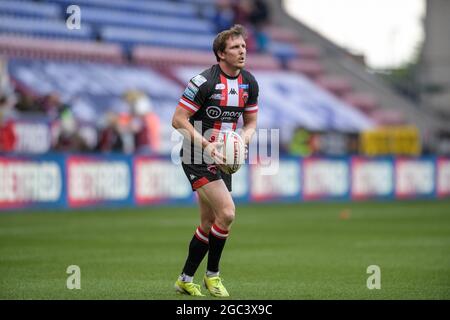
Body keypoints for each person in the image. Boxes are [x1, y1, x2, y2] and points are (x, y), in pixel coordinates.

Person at [171, 24, 259, 297]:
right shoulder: (203, 82)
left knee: (209, 224)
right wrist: (207, 145)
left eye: (243, 46)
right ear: (221, 54)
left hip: (222, 158)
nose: (241, 51)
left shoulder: (249, 83)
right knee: (228, 213)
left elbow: (252, 123)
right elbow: (178, 120)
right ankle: (213, 276)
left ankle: (185, 279)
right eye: (235, 47)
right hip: (197, 154)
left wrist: (242, 140)